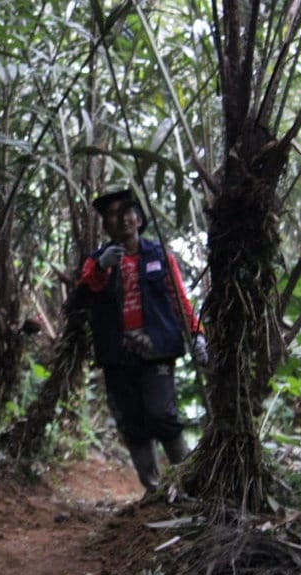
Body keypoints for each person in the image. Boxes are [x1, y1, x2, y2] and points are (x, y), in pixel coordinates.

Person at [75, 188, 207, 493]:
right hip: (117, 353)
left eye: (127, 211)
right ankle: (154, 489)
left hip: (156, 349)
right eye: (113, 215)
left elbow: (179, 299)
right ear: (106, 225)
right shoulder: (97, 262)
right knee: (131, 421)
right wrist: (102, 266)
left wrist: (197, 334)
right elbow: (83, 295)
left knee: (162, 414)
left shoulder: (159, 255)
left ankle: (190, 484)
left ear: (138, 217)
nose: (123, 219)